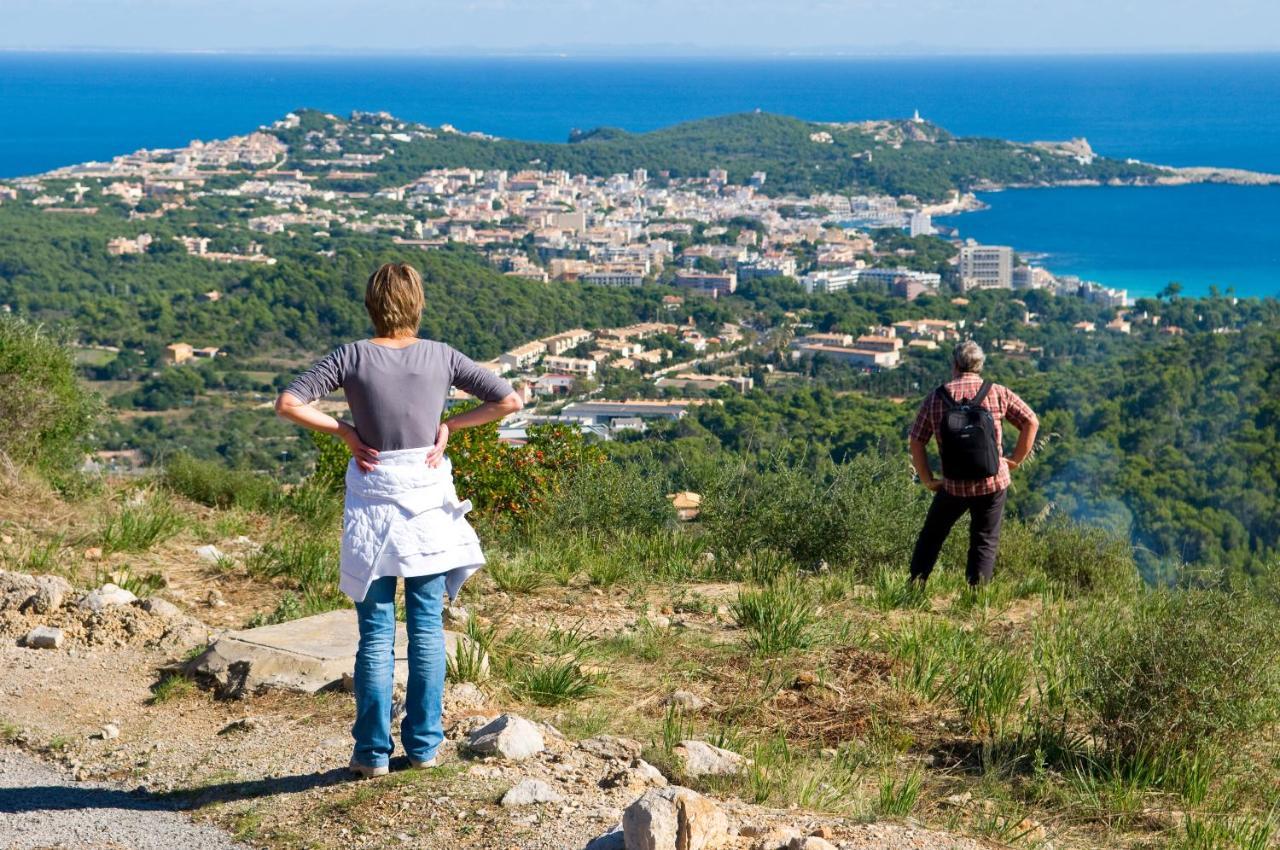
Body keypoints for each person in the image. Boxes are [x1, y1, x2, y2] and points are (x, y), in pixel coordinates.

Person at [275, 262, 523, 778]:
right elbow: (507, 400)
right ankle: (425, 747)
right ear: (418, 304)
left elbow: (289, 402)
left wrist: (345, 431)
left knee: (375, 634)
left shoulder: (351, 357)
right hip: (427, 504)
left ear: (371, 305)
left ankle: (370, 754)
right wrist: (450, 426)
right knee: (428, 629)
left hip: (373, 503)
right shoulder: (442, 356)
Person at [906, 340, 1038, 588]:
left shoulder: (937, 397)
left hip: (954, 484)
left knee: (932, 535)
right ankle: (975, 599)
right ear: (979, 365)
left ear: (955, 364)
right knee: (984, 540)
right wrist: (1015, 461)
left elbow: (916, 440)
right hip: (992, 480)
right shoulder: (997, 391)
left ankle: (914, 586)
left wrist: (928, 479)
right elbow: (1031, 421)